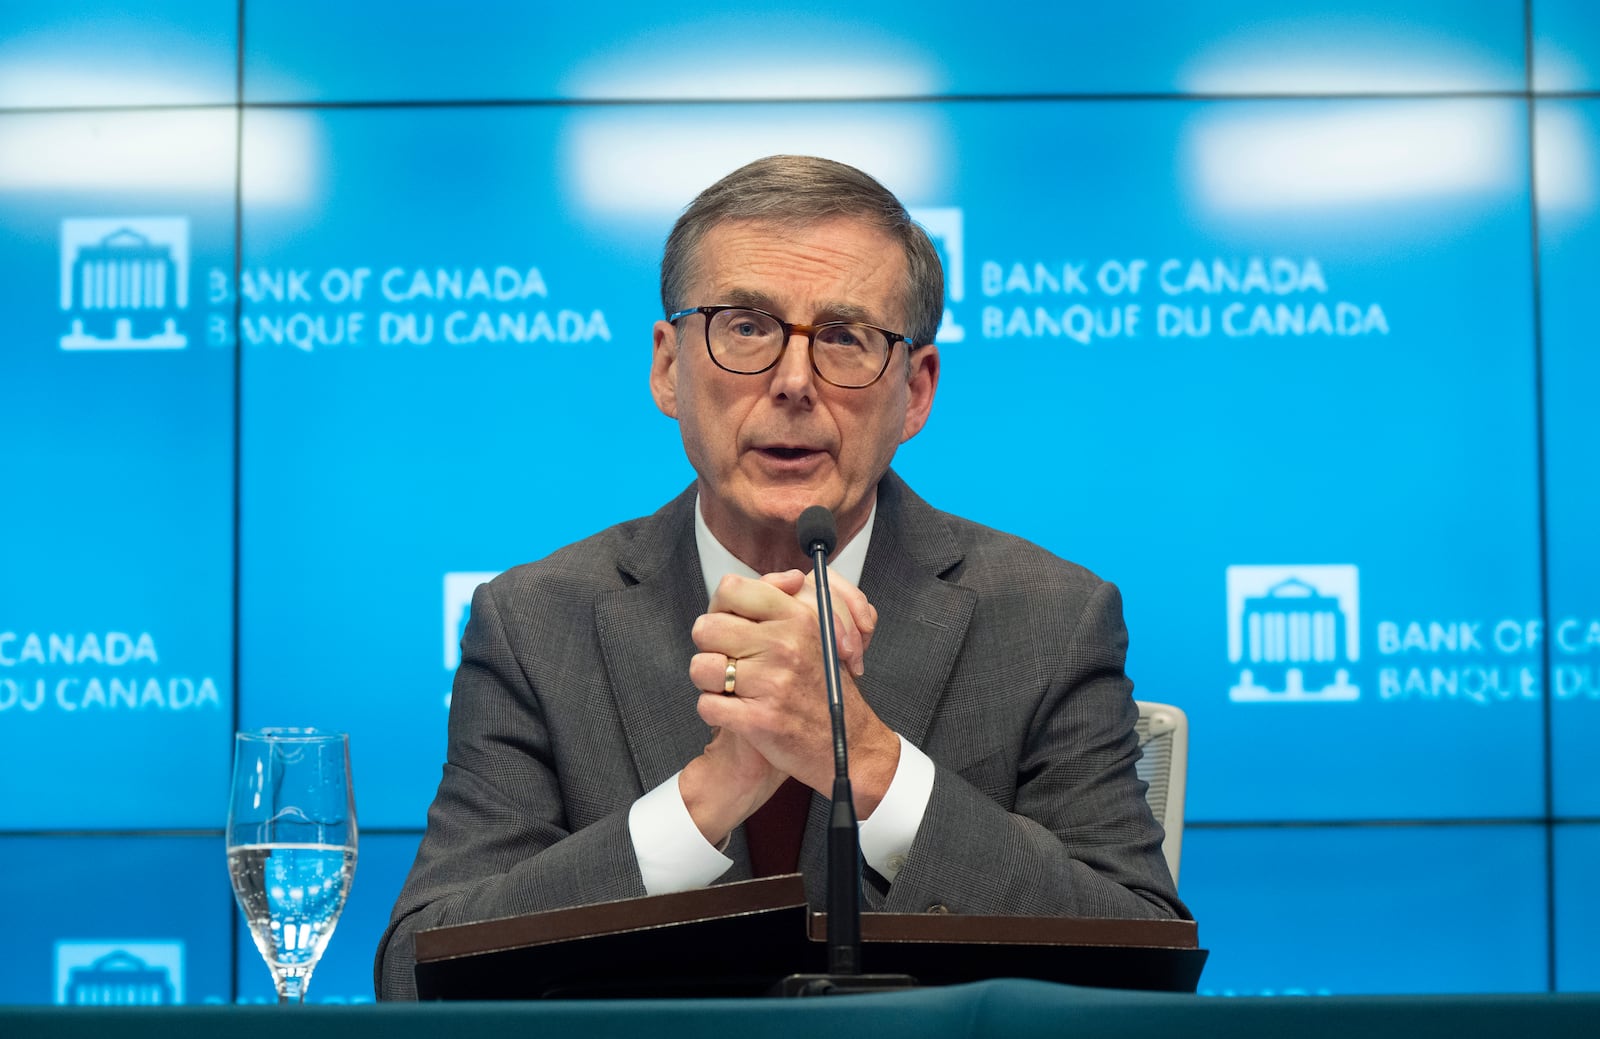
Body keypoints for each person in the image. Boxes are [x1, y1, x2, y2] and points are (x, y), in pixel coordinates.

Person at [375, 155, 1186, 1000]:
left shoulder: (1048, 616)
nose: (794, 382)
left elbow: (1145, 966)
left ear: (915, 390)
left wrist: (866, 762)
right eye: (747, 326)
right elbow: (417, 975)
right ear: (667, 367)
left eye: (845, 337)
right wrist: (705, 796)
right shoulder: (537, 623)